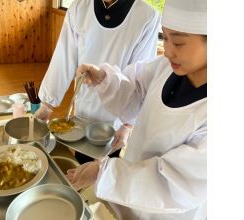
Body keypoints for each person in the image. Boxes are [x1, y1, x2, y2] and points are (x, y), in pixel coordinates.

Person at [66, 0, 207, 219]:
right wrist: (105, 79)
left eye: (178, 43)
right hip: (127, 191)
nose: (168, 51)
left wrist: (103, 174)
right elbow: (133, 95)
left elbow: (175, 184)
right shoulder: (163, 68)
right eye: (165, 38)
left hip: (163, 211)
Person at [34, 0, 160, 163]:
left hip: (117, 118)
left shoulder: (146, 15)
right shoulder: (79, 8)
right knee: (80, 161)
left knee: (106, 168)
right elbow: (63, 58)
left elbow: (141, 75)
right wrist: (47, 104)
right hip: (83, 109)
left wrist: (128, 125)